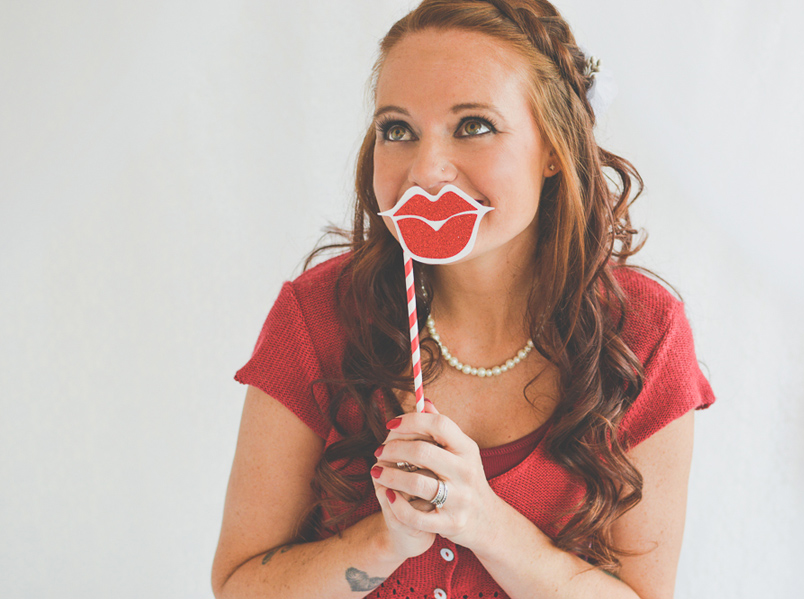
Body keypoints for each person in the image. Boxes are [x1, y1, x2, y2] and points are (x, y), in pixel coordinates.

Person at [211, 1, 715, 597]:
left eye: (473, 125)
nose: (426, 172)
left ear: (554, 149)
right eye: (398, 130)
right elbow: (239, 586)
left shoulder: (644, 332)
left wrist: (483, 521)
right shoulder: (318, 316)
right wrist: (384, 541)